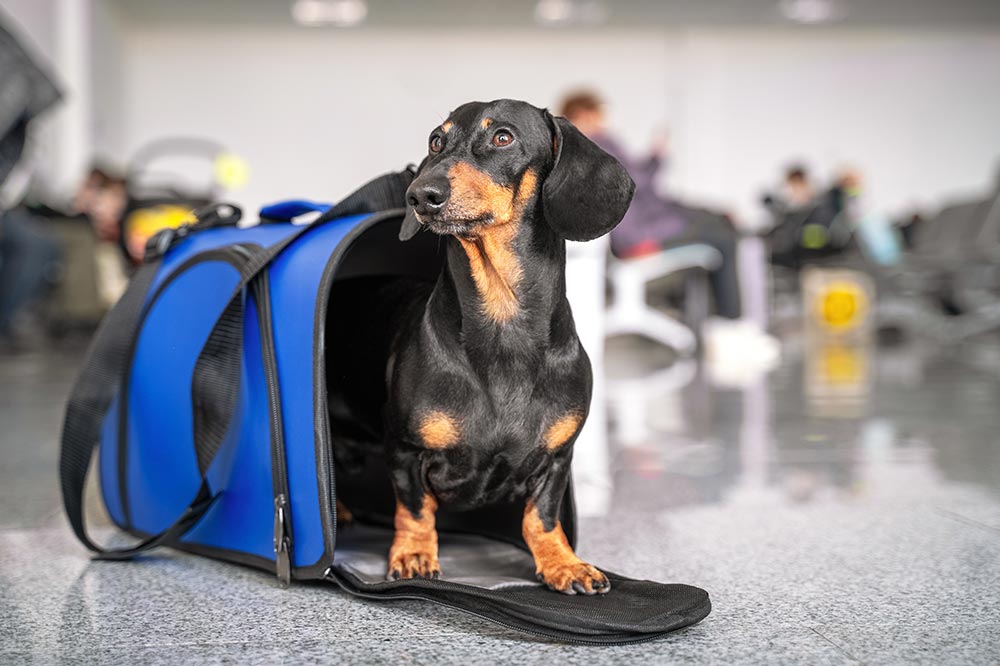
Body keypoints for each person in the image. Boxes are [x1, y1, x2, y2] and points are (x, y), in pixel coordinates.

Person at [558, 90, 777, 365]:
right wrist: (658, 156)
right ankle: (730, 331)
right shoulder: (599, 141)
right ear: (585, 114)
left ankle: (727, 328)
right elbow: (639, 182)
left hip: (632, 232)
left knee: (718, 227)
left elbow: (645, 189)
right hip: (636, 237)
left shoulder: (572, 149)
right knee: (723, 238)